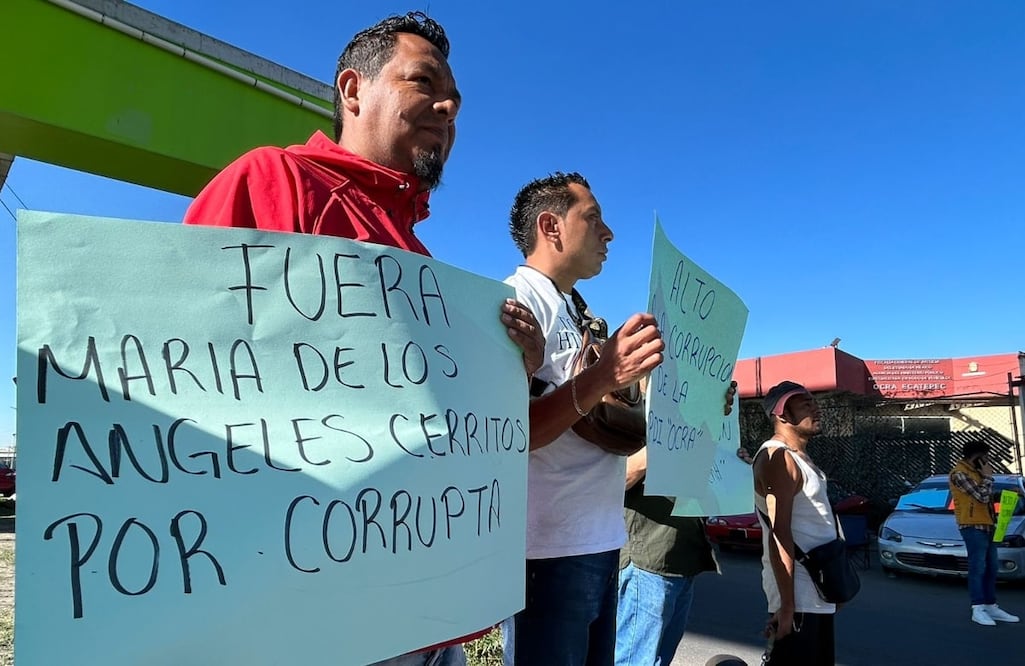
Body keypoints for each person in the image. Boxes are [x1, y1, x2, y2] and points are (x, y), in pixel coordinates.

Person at [184, 12, 544, 666]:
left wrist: (509, 373)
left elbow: (440, 429)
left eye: (456, 99)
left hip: (431, 624)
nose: (448, 105)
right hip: (314, 622)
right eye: (423, 81)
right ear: (353, 91)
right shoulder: (273, 182)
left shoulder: (421, 259)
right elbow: (186, 374)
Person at [502, 171, 665, 665]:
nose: (608, 232)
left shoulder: (573, 311)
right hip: (547, 550)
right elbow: (513, 434)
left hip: (597, 539)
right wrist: (603, 376)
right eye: (593, 218)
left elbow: (607, 421)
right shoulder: (516, 303)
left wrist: (689, 406)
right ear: (551, 227)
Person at [614, 382, 738, 666]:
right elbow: (614, 480)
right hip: (649, 562)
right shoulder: (628, 407)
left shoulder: (688, 414)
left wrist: (734, 468)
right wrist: (667, 440)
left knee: (657, 659)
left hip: (683, 560)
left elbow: (707, 486)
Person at [752, 381, 836, 666]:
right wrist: (787, 605)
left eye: (814, 401)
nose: (815, 407)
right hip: (798, 594)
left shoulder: (801, 458)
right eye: (805, 404)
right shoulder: (778, 458)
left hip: (816, 591)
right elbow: (780, 533)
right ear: (782, 414)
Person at [949, 441, 1020, 626]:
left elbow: (987, 496)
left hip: (988, 524)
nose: (988, 460)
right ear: (977, 456)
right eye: (986, 456)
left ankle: (991, 605)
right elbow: (980, 497)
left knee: (992, 567)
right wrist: (988, 477)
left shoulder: (976, 473)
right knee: (977, 567)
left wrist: (1003, 493)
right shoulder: (960, 474)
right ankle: (978, 607)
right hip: (972, 526)